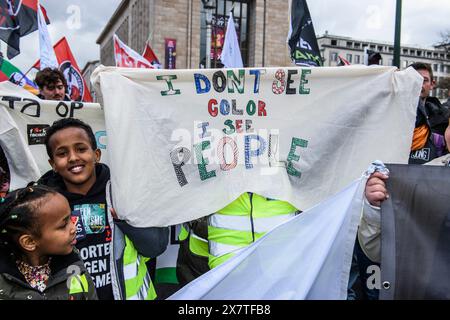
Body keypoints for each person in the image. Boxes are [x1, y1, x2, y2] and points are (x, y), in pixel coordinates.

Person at [38, 118, 169, 300]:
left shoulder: (124, 191)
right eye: (62, 153)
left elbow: (156, 247)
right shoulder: (41, 207)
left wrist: (124, 221)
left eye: (81, 149)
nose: (73, 157)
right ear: (52, 164)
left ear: (97, 154)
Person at [0, 184, 97, 300]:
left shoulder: (73, 267)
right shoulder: (4, 283)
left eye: (70, 218)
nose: (74, 228)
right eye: (63, 225)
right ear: (29, 242)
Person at [409, 62, 448, 164]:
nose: (419, 84)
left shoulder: (444, 120)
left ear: (432, 84)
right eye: (413, 79)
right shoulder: (391, 116)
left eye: (424, 80)